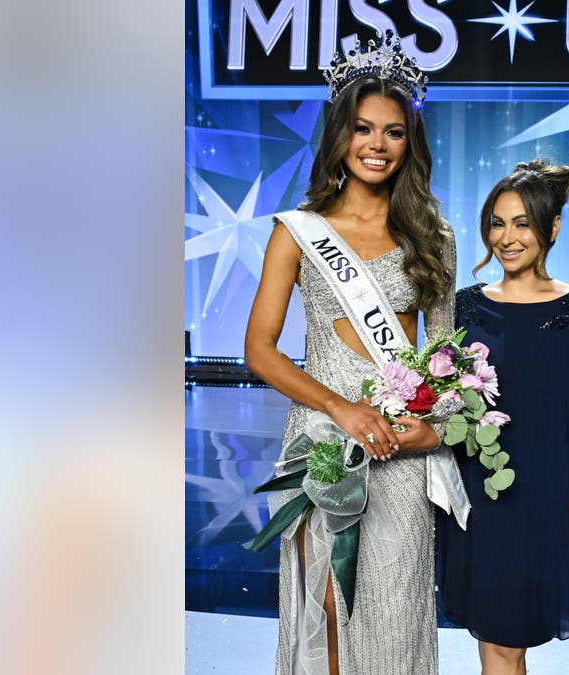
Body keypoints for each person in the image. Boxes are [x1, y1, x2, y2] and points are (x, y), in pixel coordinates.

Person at [244, 31, 467, 675]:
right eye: (363, 128)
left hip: (399, 452)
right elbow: (260, 350)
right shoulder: (298, 232)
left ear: (410, 142)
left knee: (393, 608)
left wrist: (435, 426)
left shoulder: (433, 236)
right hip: (323, 437)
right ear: (340, 135)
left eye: (394, 132)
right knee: (330, 605)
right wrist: (342, 410)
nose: (377, 145)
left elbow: (446, 358)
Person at [438, 160, 569, 675]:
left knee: (510, 645)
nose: (507, 237)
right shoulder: (465, 308)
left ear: (552, 227)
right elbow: (444, 403)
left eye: (522, 223)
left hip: (544, 501)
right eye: (497, 223)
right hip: (479, 500)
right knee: (499, 646)